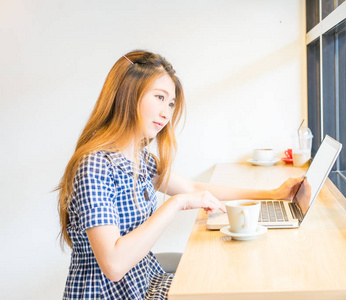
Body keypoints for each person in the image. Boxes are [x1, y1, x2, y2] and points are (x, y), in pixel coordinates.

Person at [57, 50, 311, 300]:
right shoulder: (95, 165)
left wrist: (271, 194)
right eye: (159, 97)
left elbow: (190, 188)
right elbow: (113, 265)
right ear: (127, 93)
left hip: (145, 283)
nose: (166, 113)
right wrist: (176, 203)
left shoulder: (139, 157)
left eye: (170, 103)